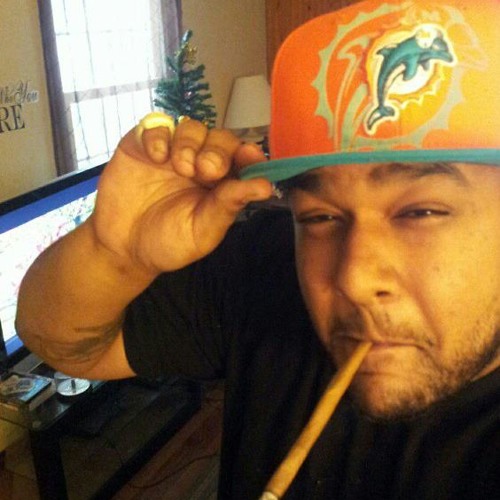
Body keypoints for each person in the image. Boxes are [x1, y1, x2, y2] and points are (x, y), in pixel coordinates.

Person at [16, 0, 499, 498]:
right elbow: (56, 341)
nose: (353, 279)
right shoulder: (264, 270)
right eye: (319, 217)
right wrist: (116, 255)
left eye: (421, 212)